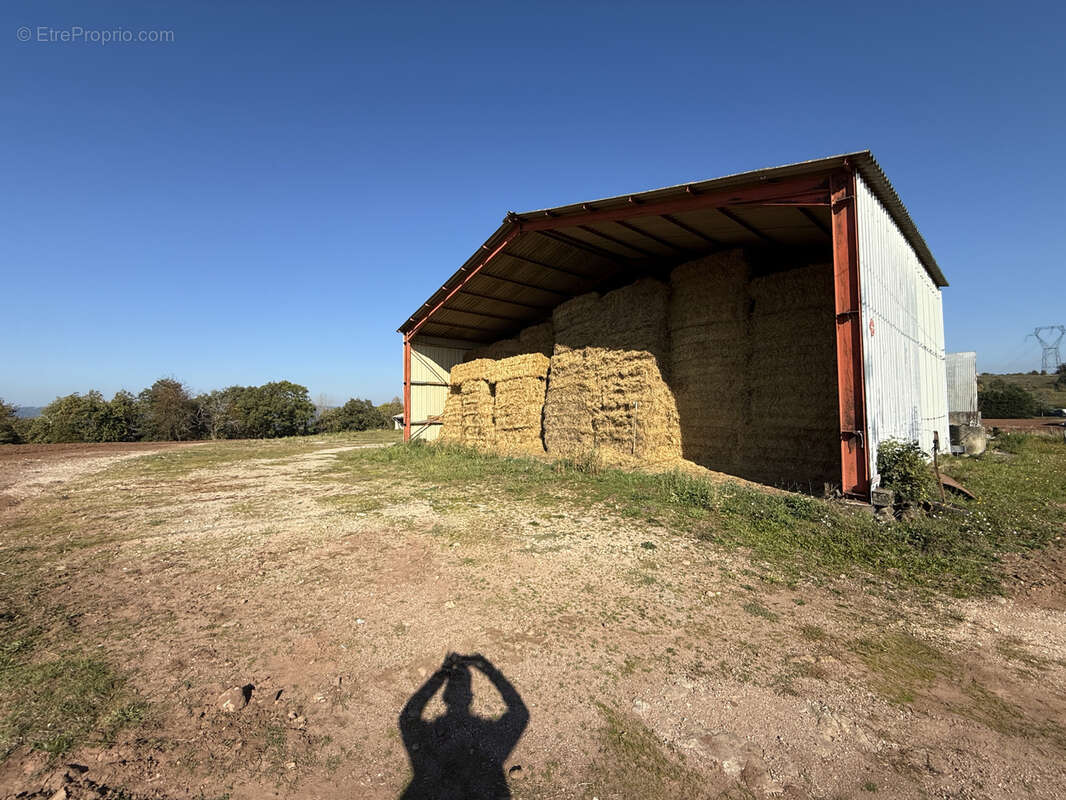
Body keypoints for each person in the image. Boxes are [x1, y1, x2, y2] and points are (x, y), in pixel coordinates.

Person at [399, 653, 529, 799]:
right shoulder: (488, 754)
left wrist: (440, 676)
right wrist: (488, 670)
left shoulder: (430, 761)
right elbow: (520, 715)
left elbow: (407, 720)